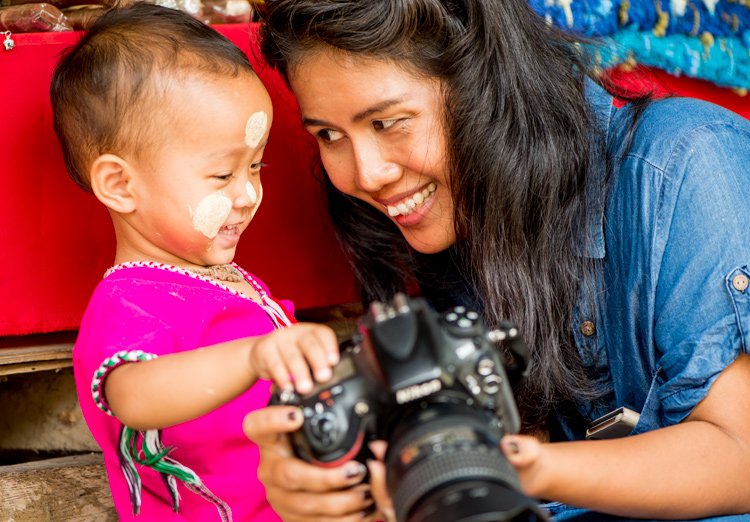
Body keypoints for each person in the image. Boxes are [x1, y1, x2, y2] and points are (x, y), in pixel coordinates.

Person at [241, 0, 750, 521]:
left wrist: (502, 468)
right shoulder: (455, 219)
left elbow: (740, 455)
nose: (365, 175)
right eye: (328, 135)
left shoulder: (685, 161)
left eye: (389, 122)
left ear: (488, 84)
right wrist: (350, 488)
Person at [48, 4, 366, 521]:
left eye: (256, 166)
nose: (247, 194)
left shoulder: (213, 281)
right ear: (120, 185)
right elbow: (130, 393)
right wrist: (252, 357)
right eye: (222, 176)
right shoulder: (130, 300)